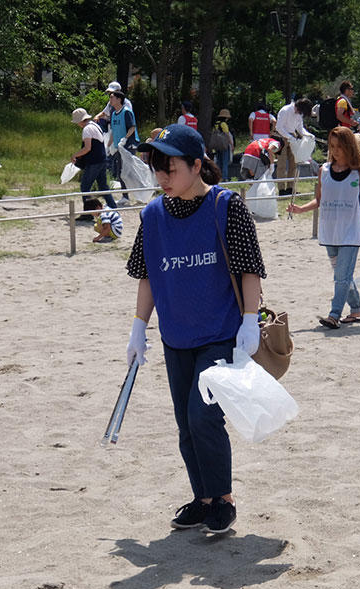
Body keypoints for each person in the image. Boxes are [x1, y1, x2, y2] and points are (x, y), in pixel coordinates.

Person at [125, 124, 266, 534]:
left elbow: (248, 267)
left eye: (170, 167)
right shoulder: (152, 215)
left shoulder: (226, 206)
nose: (162, 177)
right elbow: (146, 273)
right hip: (175, 337)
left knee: (203, 416)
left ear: (196, 164)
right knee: (184, 423)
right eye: (156, 168)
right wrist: (138, 327)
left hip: (219, 333)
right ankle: (202, 499)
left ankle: (222, 498)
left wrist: (249, 322)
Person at [286, 126, 360, 328]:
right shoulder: (323, 171)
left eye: (339, 146)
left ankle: (334, 315)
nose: (335, 150)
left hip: (351, 233)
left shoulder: (358, 173)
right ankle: (357, 309)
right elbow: (320, 200)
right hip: (330, 232)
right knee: (342, 275)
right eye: (332, 146)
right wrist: (300, 209)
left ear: (349, 147)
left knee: (341, 277)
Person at [70, 107, 117, 218]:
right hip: (102, 160)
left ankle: (88, 213)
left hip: (94, 162)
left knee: (85, 187)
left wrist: (75, 155)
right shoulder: (96, 126)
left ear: (81, 121)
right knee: (103, 186)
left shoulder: (87, 129)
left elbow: (87, 148)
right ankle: (113, 208)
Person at [275, 98, 313, 196]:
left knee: (294, 164)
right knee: (282, 165)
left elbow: (300, 128)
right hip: (281, 137)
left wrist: (307, 135)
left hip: (293, 137)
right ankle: (282, 189)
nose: (300, 114)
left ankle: (291, 188)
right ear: (298, 107)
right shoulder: (285, 110)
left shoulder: (299, 114)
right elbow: (278, 127)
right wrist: (289, 137)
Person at [108, 90, 138, 206]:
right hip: (118, 146)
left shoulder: (126, 112)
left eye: (112, 98)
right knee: (121, 171)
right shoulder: (114, 113)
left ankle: (141, 192)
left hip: (128, 144)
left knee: (130, 171)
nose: (110, 100)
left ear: (119, 99)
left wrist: (125, 139)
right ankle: (125, 196)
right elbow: (113, 130)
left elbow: (132, 127)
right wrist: (109, 144)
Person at [212, 108, 234, 182]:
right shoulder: (224, 124)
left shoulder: (216, 124)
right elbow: (227, 135)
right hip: (224, 145)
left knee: (218, 161)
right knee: (225, 161)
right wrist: (231, 144)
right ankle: (225, 177)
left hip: (217, 145)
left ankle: (218, 176)